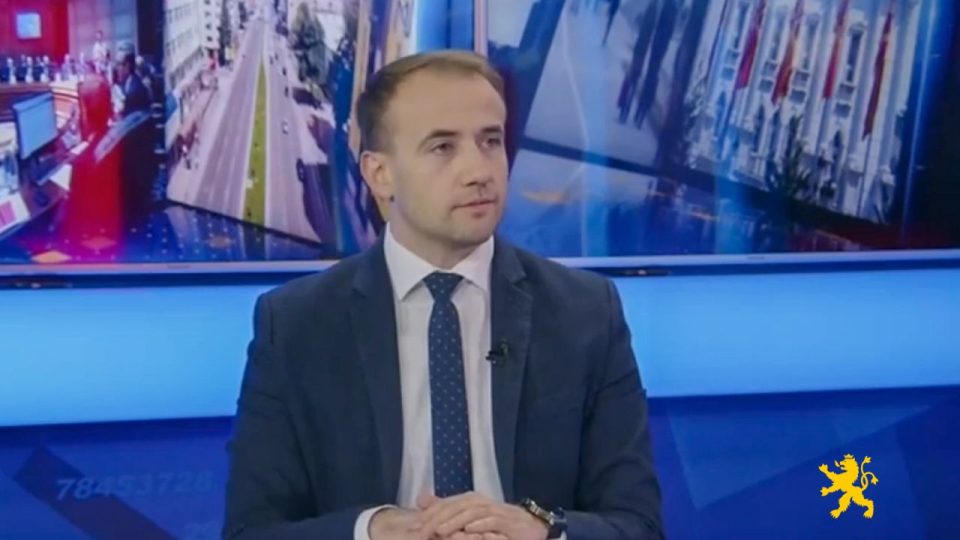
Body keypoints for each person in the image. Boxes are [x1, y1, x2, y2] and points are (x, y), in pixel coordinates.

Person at [224, 50, 664, 540]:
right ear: (379, 174)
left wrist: (543, 531)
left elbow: (638, 526)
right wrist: (371, 530)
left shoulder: (586, 311)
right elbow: (251, 531)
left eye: (490, 141)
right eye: (442, 147)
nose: (479, 170)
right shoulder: (295, 323)